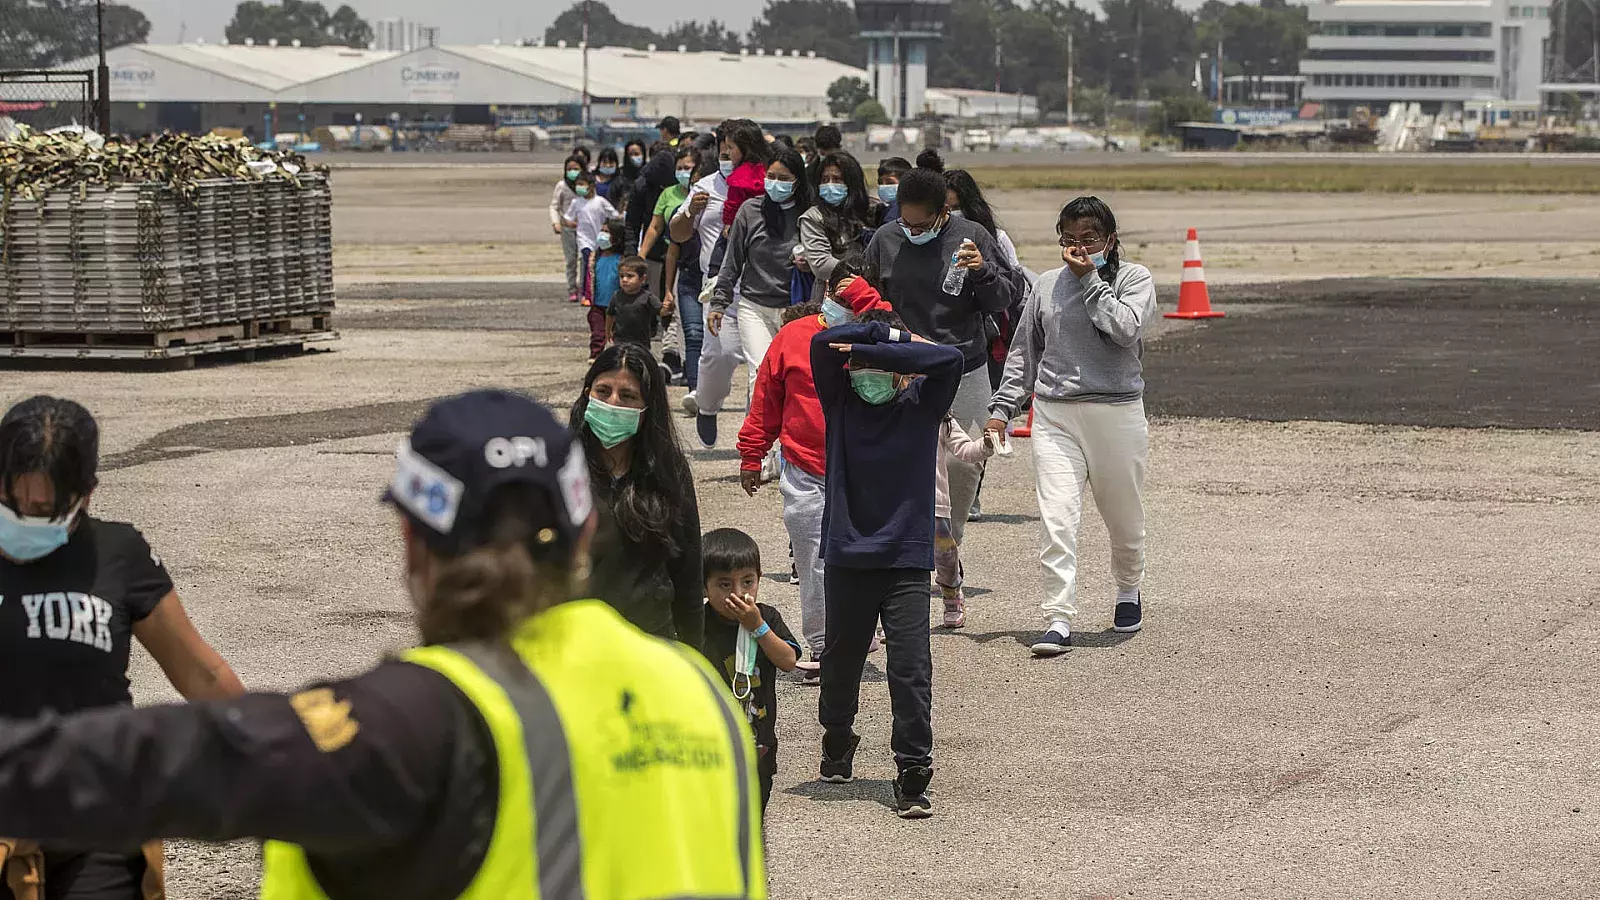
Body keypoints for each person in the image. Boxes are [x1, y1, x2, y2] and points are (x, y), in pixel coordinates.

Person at [0, 390, 765, 899]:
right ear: (584, 532)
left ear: (411, 536)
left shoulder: (423, 721)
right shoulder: (702, 697)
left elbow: (187, 762)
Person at [0, 396, 244, 899]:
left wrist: (281, 751)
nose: (25, 518)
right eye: (12, 503)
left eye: (44, 510)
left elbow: (200, 673)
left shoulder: (118, 554)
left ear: (87, 495)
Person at [985, 196, 1156, 657]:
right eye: (1069, 240)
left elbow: (1125, 330)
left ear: (1110, 240)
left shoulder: (1134, 279)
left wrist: (1091, 281)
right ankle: (1057, 616)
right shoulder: (1044, 285)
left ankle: (1127, 588)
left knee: (1125, 519)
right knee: (1057, 518)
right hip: (1056, 414)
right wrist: (1003, 408)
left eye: (1090, 240)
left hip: (1116, 412)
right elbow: (1023, 353)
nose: (1079, 248)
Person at [809, 311, 964, 819]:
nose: (867, 375)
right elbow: (824, 344)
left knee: (910, 668)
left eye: (881, 368)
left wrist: (883, 344)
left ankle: (914, 770)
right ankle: (837, 738)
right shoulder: (841, 403)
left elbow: (950, 359)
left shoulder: (920, 406)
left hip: (906, 560)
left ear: (902, 372)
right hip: (848, 554)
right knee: (841, 661)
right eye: (860, 368)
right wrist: (870, 339)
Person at [737, 258, 889, 681]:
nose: (842, 303)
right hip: (804, 469)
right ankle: (824, 648)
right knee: (814, 560)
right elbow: (766, 400)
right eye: (836, 294)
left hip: (866, 472)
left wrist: (869, 308)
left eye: (852, 296)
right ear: (822, 291)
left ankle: (862, 629)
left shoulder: (882, 339)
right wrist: (752, 454)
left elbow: (912, 345)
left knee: (864, 558)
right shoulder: (792, 336)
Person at [863, 164, 1020, 553]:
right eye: (906, 224)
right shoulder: (884, 240)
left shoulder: (973, 237)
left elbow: (1005, 298)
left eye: (922, 225)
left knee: (964, 464)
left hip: (963, 366)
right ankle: (906, 546)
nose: (912, 232)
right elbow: (864, 300)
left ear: (944, 213)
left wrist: (983, 272)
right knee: (901, 462)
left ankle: (950, 543)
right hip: (902, 369)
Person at [571, 345, 704, 646]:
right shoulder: (562, 466)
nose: (613, 403)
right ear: (586, 394)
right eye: (603, 391)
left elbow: (688, 573)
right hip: (575, 646)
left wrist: (696, 657)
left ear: (648, 408)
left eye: (628, 396)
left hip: (649, 642)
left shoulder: (669, 471)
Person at [698, 528, 800, 812]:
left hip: (758, 745)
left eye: (747, 582)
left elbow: (788, 661)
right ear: (704, 587)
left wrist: (758, 628)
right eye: (724, 585)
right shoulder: (698, 623)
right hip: (710, 747)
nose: (738, 594)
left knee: (752, 824)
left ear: (759, 578)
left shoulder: (767, 617)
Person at [707, 146, 811, 403]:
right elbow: (732, 261)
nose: (776, 184)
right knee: (761, 374)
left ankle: (783, 440)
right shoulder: (749, 211)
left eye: (784, 179)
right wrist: (719, 302)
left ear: (798, 182)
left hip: (797, 309)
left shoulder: (810, 214)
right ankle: (757, 443)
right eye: (771, 176)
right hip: (755, 307)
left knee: (792, 379)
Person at [669, 132, 744, 449]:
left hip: (759, 287)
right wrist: (690, 213)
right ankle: (708, 405)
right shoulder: (705, 187)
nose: (728, 160)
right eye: (723, 154)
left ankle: (761, 448)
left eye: (734, 153)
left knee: (764, 366)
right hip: (717, 287)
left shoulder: (762, 184)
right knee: (719, 355)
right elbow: (678, 233)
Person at [934, 414, 996, 628]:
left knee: (945, 556)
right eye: (909, 377)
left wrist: (987, 443)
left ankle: (951, 593)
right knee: (898, 565)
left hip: (934, 505)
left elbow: (966, 451)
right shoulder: (884, 413)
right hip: (895, 508)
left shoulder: (941, 419)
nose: (913, 382)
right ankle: (894, 617)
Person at [799, 151, 876, 303]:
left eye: (837, 179)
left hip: (870, 297)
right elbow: (821, 264)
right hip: (832, 298)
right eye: (825, 179)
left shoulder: (872, 211)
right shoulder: (813, 217)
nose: (830, 184)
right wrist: (863, 275)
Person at [707, 118, 770, 280]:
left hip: (739, 228)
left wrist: (727, 224)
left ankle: (714, 278)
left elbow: (732, 204)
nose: (728, 152)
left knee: (720, 255)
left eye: (731, 147)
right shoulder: (766, 169)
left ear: (745, 148)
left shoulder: (738, 177)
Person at [563, 170, 618, 306]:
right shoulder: (577, 202)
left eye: (582, 184)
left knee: (596, 266)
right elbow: (567, 218)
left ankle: (597, 292)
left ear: (591, 185)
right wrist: (572, 224)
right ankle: (586, 294)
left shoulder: (600, 201)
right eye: (577, 185)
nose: (579, 187)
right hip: (584, 240)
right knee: (587, 262)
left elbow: (614, 215)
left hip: (598, 239)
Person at [586, 219, 626, 361]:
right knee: (598, 331)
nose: (602, 235)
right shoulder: (596, 257)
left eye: (607, 232)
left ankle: (619, 355)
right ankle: (596, 354)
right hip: (598, 303)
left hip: (616, 305)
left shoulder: (622, 259)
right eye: (602, 231)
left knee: (618, 332)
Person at [607, 255, 667, 349]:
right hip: (620, 341)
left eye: (630, 276)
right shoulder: (617, 296)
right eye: (622, 276)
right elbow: (610, 314)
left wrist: (668, 307)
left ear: (642, 279)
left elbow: (661, 311)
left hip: (641, 342)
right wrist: (608, 331)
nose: (624, 280)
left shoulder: (647, 297)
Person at [550, 154, 584, 303]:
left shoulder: (585, 186)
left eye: (576, 169)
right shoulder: (562, 186)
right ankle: (572, 289)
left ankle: (584, 289)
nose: (572, 172)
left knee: (585, 259)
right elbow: (554, 206)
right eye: (569, 169)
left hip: (585, 228)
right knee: (571, 260)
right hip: (567, 228)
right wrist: (555, 222)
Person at [875, 156, 910, 227]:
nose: (883, 186)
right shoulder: (886, 209)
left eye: (890, 182)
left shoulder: (896, 210)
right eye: (880, 183)